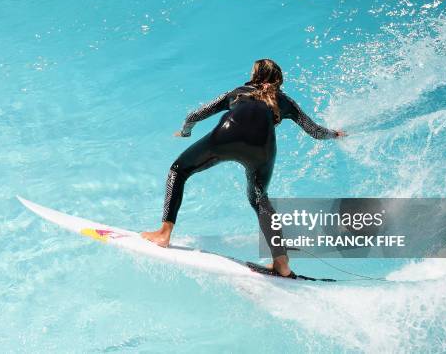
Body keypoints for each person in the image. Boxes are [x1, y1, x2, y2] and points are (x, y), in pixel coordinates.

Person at [141, 59, 345, 277]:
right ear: (277, 79)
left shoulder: (238, 91)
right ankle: (281, 263)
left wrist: (185, 131)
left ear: (255, 75)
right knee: (260, 200)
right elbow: (314, 131)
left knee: (178, 171)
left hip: (227, 135)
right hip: (263, 148)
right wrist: (335, 134)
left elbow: (195, 115)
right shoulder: (284, 101)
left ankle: (164, 233)